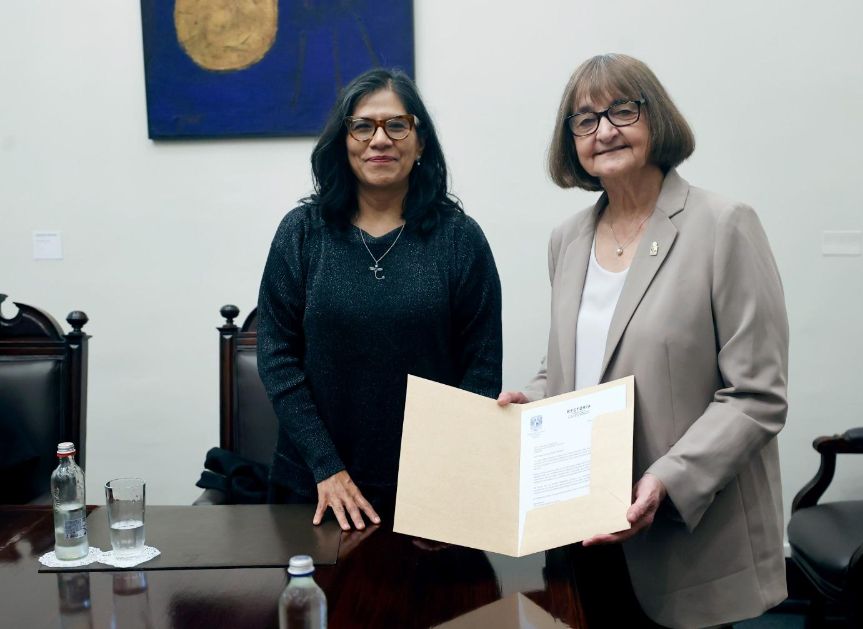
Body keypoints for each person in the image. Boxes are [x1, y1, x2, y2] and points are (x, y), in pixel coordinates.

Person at [498, 54, 789, 628]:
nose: (604, 130)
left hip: (684, 535)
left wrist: (666, 481)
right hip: (583, 528)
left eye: (621, 110)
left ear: (656, 119)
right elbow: (576, 362)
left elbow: (758, 395)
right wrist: (531, 399)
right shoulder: (568, 240)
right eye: (584, 120)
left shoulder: (724, 225)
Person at [257, 68, 502, 531]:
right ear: (343, 140)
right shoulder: (302, 233)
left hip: (432, 492)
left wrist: (445, 477)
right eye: (363, 126)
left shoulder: (460, 239)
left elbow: (482, 371)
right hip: (315, 488)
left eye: (397, 125)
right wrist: (326, 466)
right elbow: (277, 357)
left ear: (420, 141)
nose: (380, 139)